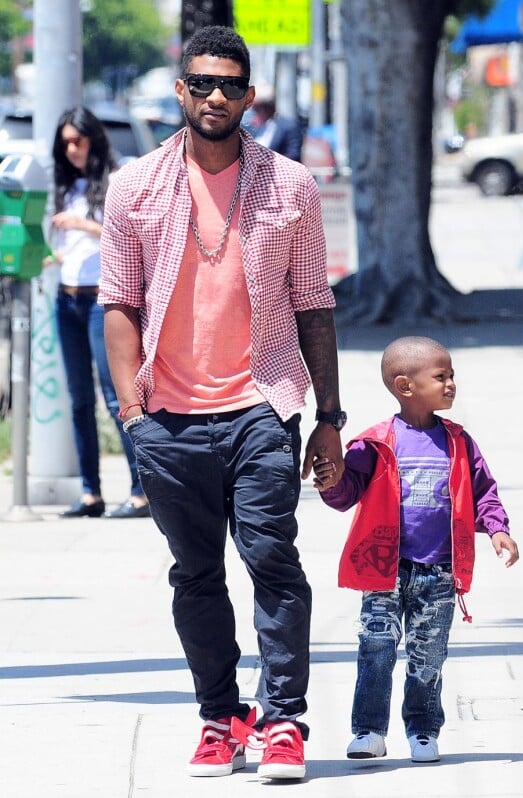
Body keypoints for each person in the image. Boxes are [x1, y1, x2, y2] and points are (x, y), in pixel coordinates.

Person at [98, 25, 345, 781]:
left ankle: (283, 722)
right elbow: (119, 302)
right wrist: (132, 412)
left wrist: (328, 419)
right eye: (201, 83)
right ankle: (220, 715)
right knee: (196, 572)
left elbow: (313, 305)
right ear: (181, 89)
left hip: (261, 404)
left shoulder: (291, 187)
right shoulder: (134, 186)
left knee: (271, 557)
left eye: (229, 85)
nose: (214, 96)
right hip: (167, 416)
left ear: (249, 95)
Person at [314, 336, 519, 763]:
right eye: (441, 376)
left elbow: (483, 493)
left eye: (452, 376)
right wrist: (332, 480)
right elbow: (347, 491)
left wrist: (498, 530)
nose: (451, 385)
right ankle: (368, 730)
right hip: (384, 569)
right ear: (405, 386)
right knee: (376, 649)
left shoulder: (459, 442)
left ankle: (423, 731)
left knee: (428, 656)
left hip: (441, 573)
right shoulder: (376, 442)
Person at [48, 106, 150, 520]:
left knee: (117, 398)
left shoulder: (115, 181)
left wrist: (84, 225)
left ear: (94, 139)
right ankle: (91, 492)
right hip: (66, 297)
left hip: (103, 300)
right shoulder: (64, 185)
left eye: (79, 140)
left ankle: (141, 490)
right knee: (77, 400)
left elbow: (130, 236)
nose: (72, 150)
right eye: (66, 143)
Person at [245, 81, 303, 161]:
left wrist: (268, 163)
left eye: (259, 107)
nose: (257, 112)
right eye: (255, 109)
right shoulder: (249, 126)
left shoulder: (288, 126)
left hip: (278, 170)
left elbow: (293, 155)